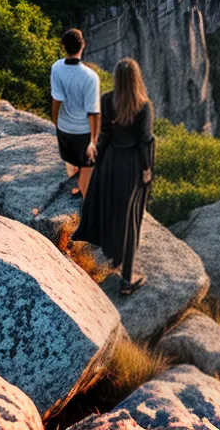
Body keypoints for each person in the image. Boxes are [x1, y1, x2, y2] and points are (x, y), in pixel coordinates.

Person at [74, 57, 155, 296]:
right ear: (136, 79)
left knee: (108, 211)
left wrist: (96, 163)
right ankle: (127, 281)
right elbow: (144, 141)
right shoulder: (143, 107)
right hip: (130, 166)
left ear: (117, 79)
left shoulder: (107, 100)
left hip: (109, 162)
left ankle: (110, 260)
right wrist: (146, 169)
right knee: (129, 222)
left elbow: (104, 136)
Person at [50, 28, 102, 198]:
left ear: (63, 47)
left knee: (73, 159)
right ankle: (85, 198)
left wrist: (56, 122)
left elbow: (57, 99)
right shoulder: (90, 76)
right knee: (89, 163)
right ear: (83, 45)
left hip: (65, 130)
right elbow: (93, 113)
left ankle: (77, 182)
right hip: (83, 131)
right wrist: (94, 141)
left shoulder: (56, 68)